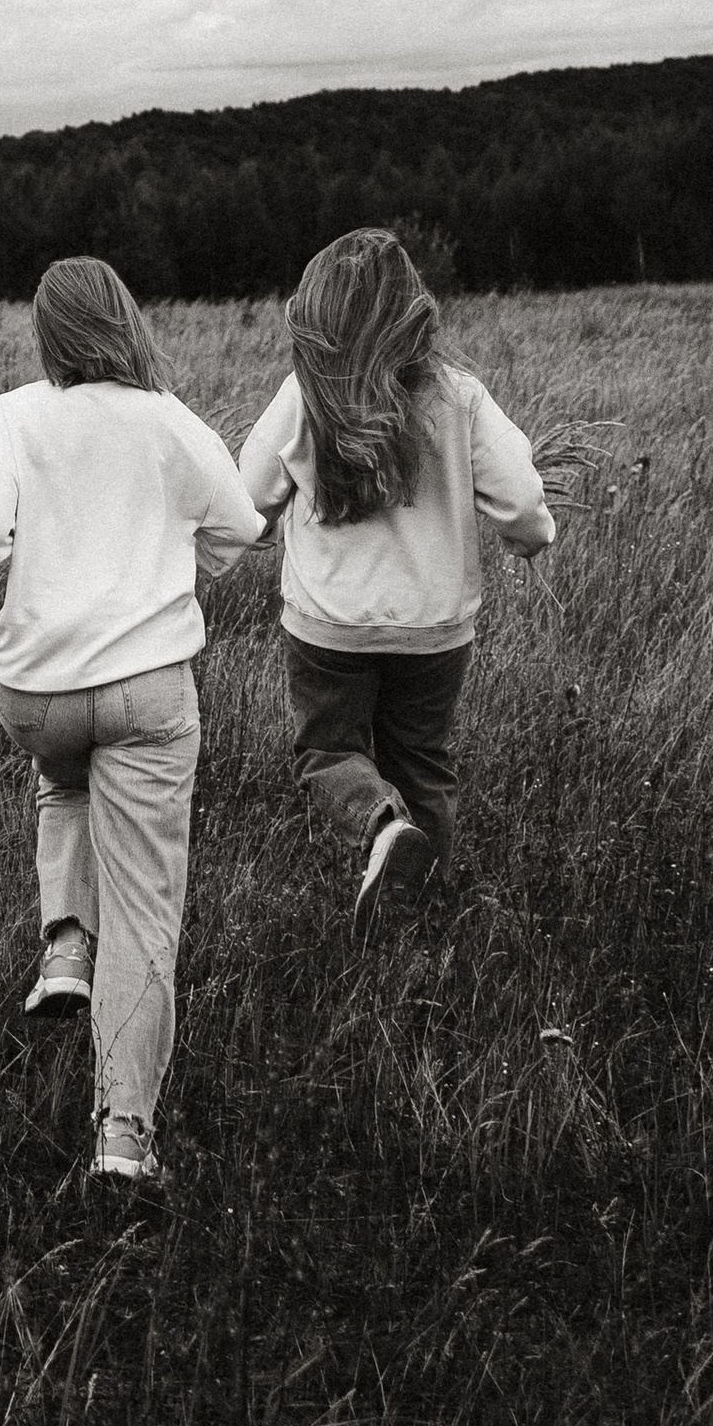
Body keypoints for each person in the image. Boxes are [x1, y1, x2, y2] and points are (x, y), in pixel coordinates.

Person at [0, 256, 263, 1192]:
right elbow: (240, 529)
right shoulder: (169, 421)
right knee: (146, 916)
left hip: (34, 694)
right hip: (147, 693)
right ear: (128, 324)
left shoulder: (14, 416)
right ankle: (123, 1137)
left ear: (46, 335)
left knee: (61, 777)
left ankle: (64, 940)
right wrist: (168, 557)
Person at [238, 227, 554, 920]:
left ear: (317, 318)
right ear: (413, 311)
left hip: (329, 627)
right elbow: (525, 505)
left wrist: (258, 532)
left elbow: (247, 505)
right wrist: (533, 538)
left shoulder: (303, 397)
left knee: (328, 752)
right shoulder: (459, 396)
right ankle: (420, 907)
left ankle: (383, 829)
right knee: (424, 764)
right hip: (434, 631)